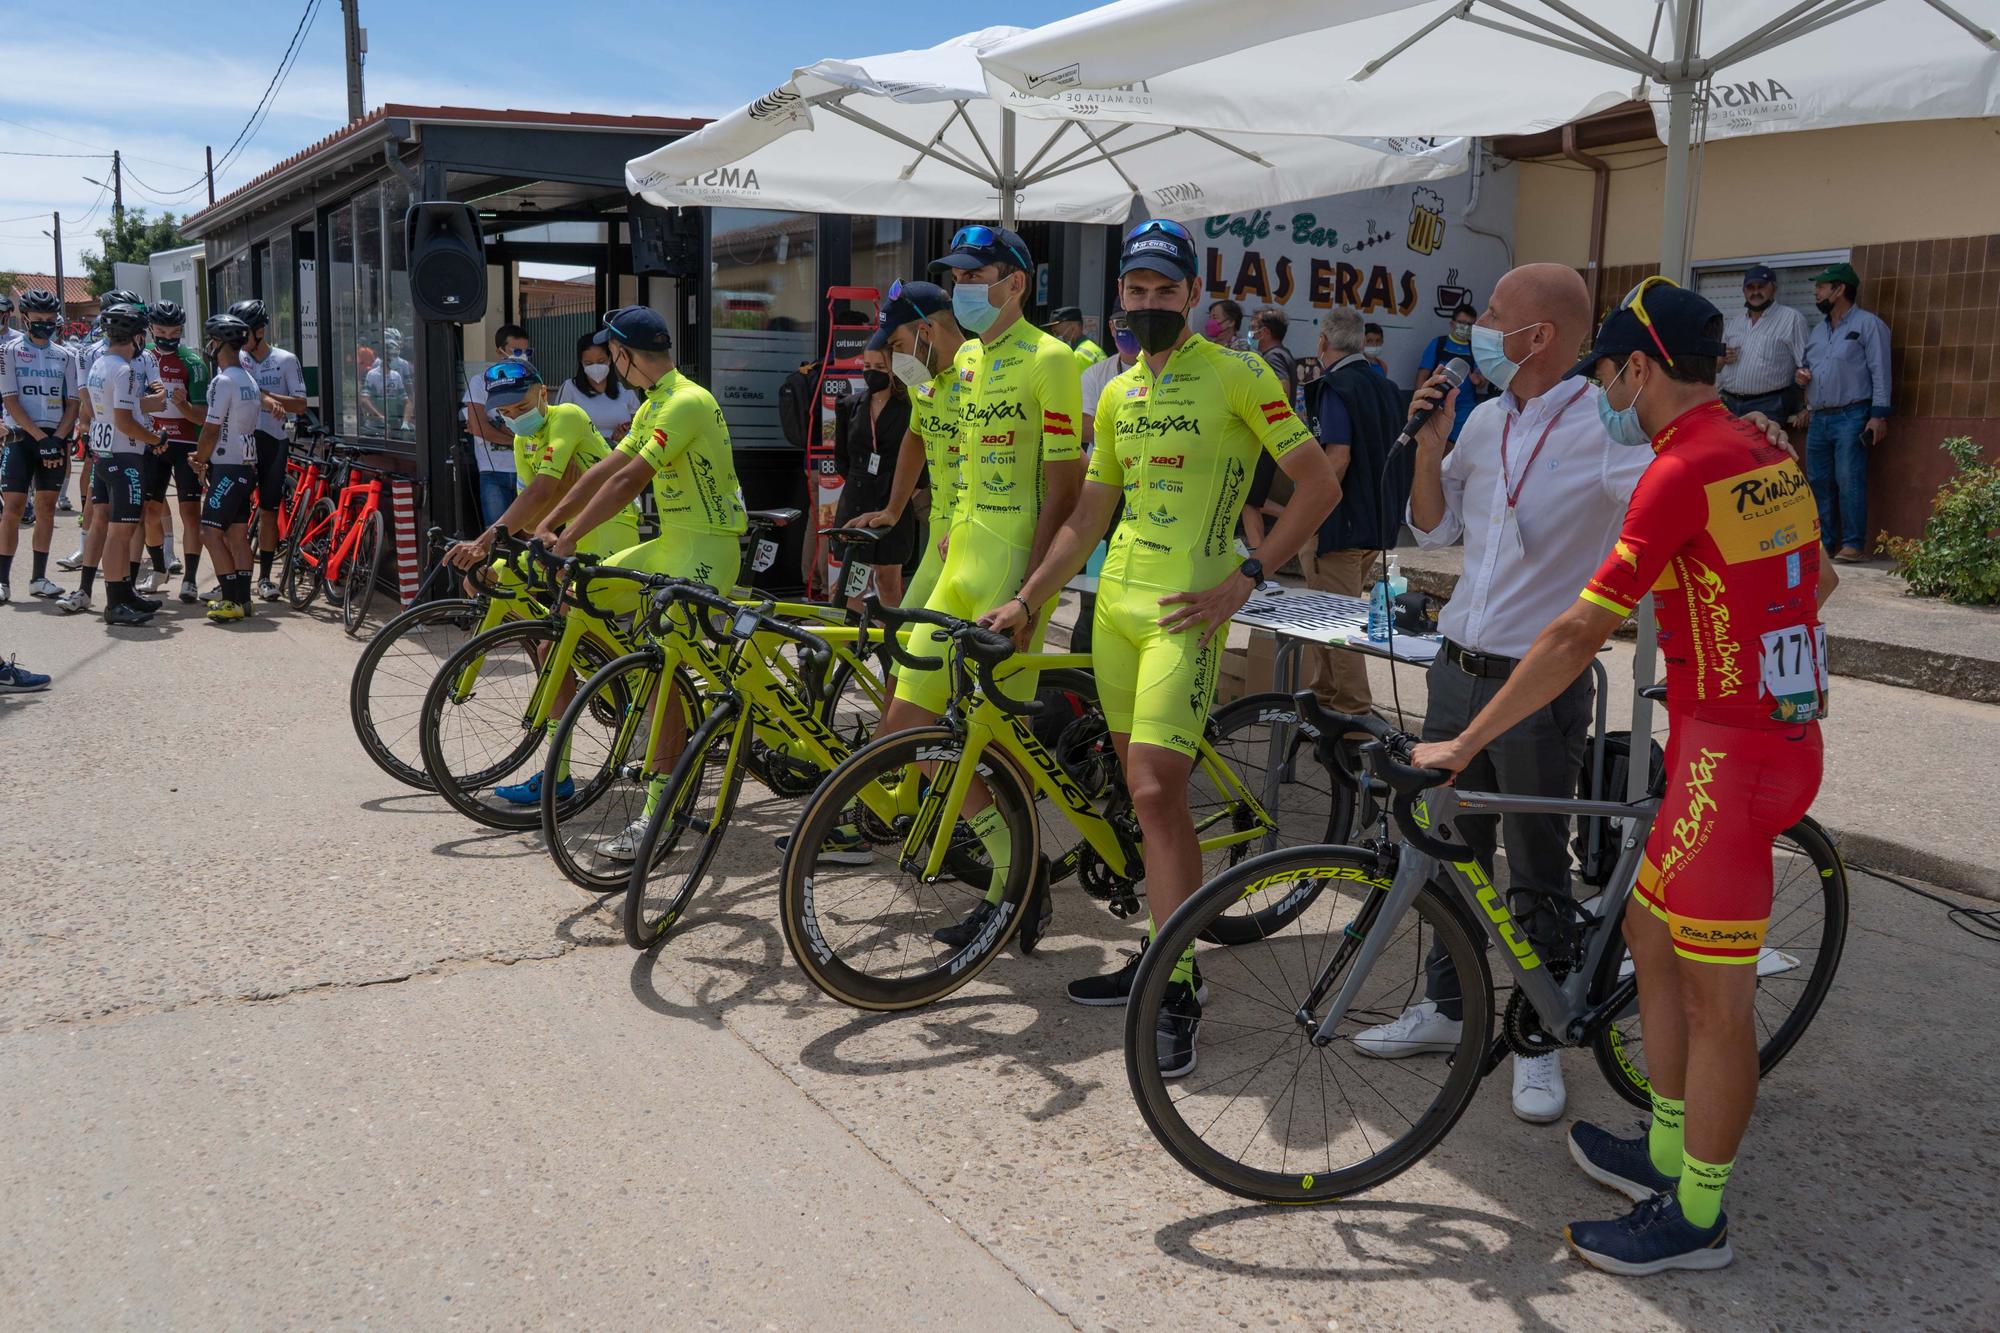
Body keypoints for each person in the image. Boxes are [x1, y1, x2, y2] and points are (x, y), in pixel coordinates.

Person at [1413, 279, 1836, 1276]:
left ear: (1637, 366)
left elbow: (1573, 633)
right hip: (1745, 736)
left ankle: (1695, 1215)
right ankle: (1659, 1147)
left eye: (1604, 371)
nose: (1602, 389)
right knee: (1646, 932)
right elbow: (1815, 583)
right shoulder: (1758, 449)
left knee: (1710, 1002)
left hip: (1727, 757)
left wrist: (1463, 740)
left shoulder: (1679, 468)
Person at [981, 219, 1338, 1077]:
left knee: (1153, 786)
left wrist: (1247, 577)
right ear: (1122, 300)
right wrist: (1029, 597)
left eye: (1163, 290)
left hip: (1191, 609)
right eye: (1134, 291)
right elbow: (1088, 515)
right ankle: (1159, 946)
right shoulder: (1115, 392)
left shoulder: (1239, 373)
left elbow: (1320, 483)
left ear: (1191, 295)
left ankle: (1179, 985)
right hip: (1116, 610)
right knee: (1134, 796)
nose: (1148, 303)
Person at [1356, 264, 1653, 1125]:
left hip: (1534, 684)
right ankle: (1449, 1006)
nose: (1478, 325)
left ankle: (1536, 1032)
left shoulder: (1606, 430)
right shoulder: (1484, 419)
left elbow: (1661, 512)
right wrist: (1427, 442)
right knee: (1445, 847)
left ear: (1540, 338)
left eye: (1493, 313)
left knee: (1535, 861)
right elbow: (1435, 526)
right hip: (1456, 667)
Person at [535, 307, 746, 854]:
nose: (610, 365)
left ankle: (661, 807)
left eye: (613, 357)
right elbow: (606, 467)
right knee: (581, 593)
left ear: (626, 356)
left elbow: (631, 480)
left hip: (705, 545)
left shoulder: (685, 400)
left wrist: (570, 535)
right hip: (672, 540)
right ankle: (642, 696)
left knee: (665, 669)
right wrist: (552, 523)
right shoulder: (654, 402)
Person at [1298, 306, 1407, 719]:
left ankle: (1355, 714)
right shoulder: (1386, 387)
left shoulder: (1335, 386)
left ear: (1323, 342)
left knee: (1336, 625)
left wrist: (1305, 513)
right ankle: (1323, 699)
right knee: (1325, 616)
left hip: (1337, 525)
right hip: (1376, 523)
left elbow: (1337, 457)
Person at [850, 280, 969, 658]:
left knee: (969, 670)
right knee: (906, 656)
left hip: (980, 535)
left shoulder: (979, 369)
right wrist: (893, 509)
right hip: (940, 533)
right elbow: (916, 437)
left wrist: (970, 523)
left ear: (925, 332)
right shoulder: (921, 378)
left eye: (897, 347)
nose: (895, 359)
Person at [75, 303, 169, 625]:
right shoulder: (125, 369)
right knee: (120, 531)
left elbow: (110, 408)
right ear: (138, 337)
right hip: (123, 454)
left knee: (119, 527)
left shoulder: (101, 363)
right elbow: (126, 421)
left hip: (104, 453)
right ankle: (115, 602)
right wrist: (156, 439)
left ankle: (124, 592)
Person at [1796, 261, 1891, 563]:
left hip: (1853, 414)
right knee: (1819, 479)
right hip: (1819, 416)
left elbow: (1881, 371)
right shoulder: (1818, 331)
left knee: (1849, 478)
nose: (1816, 292)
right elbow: (1808, 366)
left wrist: (1878, 415)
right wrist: (1802, 377)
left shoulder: (1868, 325)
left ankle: (1852, 543)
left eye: (1822, 287)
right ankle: (1825, 543)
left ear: (1840, 290)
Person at [1, 289, 81, 603]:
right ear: (25, 318)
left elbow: (73, 404)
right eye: (39, 320)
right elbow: (10, 400)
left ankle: (38, 578)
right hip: (22, 438)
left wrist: (57, 440)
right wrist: (41, 438)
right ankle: (3, 581)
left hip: (55, 437)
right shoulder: (8, 351)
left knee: (46, 509)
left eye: (50, 320)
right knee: (12, 509)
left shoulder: (66, 355)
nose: (45, 325)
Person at [229, 299, 308, 600]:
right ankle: (231, 576)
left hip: (274, 441)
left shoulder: (286, 360)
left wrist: (264, 394)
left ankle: (264, 579)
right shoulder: (236, 359)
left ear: (259, 331)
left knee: (268, 511)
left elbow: (300, 404)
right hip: (242, 442)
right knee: (233, 512)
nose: (239, 339)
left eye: (243, 332)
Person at [830, 345, 915, 610]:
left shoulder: (909, 406)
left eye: (879, 367)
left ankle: (889, 641)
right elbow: (841, 457)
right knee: (853, 580)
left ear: (894, 369)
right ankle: (853, 643)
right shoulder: (850, 405)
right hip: (856, 498)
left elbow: (918, 463)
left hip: (894, 498)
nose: (871, 374)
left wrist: (903, 495)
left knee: (889, 580)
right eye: (866, 367)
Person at [191, 314, 263, 623]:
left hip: (227, 466)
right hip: (245, 465)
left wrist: (200, 459)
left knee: (209, 531)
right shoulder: (248, 378)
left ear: (217, 343)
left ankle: (231, 598)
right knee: (236, 533)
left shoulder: (223, 380)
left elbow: (210, 428)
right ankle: (244, 600)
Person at [137, 301, 208, 601]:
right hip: (154, 440)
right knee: (149, 510)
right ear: (151, 329)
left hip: (186, 444)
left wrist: (183, 406)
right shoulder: (141, 359)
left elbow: (204, 417)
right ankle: (158, 568)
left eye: (175, 331)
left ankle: (190, 579)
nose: (168, 336)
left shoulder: (193, 362)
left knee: (190, 513)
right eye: (162, 331)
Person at [1717, 265, 1807, 422]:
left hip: (1769, 405)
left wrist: (1808, 407)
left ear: (1774, 287)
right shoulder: (1734, 323)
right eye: (1750, 287)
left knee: (1758, 447)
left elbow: (1806, 367)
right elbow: (1716, 367)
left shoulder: (1791, 319)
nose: (1755, 292)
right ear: (1743, 291)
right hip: (1728, 402)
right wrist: (1722, 358)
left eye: (1761, 286)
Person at [465, 324, 534, 528]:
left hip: (526, 469)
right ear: (500, 351)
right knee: (496, 535)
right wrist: (516, 441)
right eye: (516, 351)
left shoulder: (530, 382)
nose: (522, 356)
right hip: (493, 471)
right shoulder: (480, 382)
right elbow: (479, 427)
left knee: (530, 531)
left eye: (526, 352)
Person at [1420, 301, 1489, 441]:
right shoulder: (1438, 344)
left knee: (1455, 450)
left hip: (1464, 410)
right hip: (1436, 407)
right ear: (1452, 323)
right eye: (1461, 322)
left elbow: (1482, 383)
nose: (1465, 327)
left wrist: (1479, 380)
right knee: (1434, 446)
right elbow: (1421, 378)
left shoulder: (1475, 349)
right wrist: (1423, 402)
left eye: (1469, 324)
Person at [551, 331, 639, 441]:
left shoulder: (625, 390)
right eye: (589, 363)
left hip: (619, 454)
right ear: (581, 363)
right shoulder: (570, 388)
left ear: (610, 359)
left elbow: (637, 429)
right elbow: (559, 429)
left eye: (601, 361)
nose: (596, 367)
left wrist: (625, 436)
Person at [1080, 313, 1139, 446]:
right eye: (1123, 324)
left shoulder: (1161, 367)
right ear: (1112, 328)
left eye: (1136, 323)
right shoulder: (1094, 374)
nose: (1130, 329)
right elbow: (1085, 429)